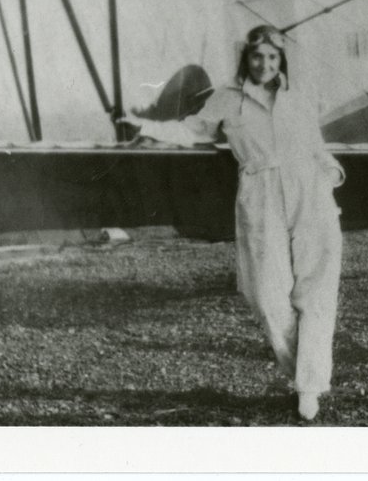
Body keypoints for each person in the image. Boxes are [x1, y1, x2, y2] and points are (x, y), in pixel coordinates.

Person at [128, 25, 345, 422]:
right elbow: (192, 130)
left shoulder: (299, 96)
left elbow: (315, 145)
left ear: (282, 60)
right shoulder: (226, 99)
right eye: (258, 56)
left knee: (317, 293)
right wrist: (143, 126)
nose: (265, 64)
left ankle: (308, 388)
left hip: (311, 192)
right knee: (264, 293)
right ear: (246, 58)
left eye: (273, 57)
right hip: (260, 193)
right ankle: (305, 370)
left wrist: (331, 175)